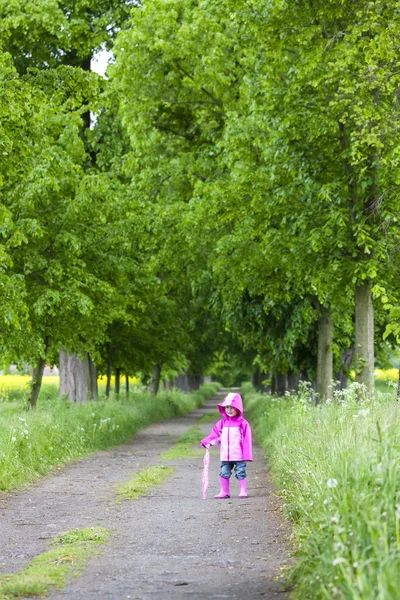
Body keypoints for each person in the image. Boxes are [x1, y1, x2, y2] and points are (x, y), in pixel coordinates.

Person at [200, 392, 252, 499]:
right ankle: (224, 491)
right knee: (224, 472)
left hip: (239, 455)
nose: (229, 410)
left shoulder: (242, 423)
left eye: (232, 407)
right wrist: (208, 442)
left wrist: (247, 455)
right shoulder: (222, 423)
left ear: (238, 408)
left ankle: (243, 490)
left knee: (240, 472)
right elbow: (216, 435)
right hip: (225, 456)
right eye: (227, 407)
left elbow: (246, 439)